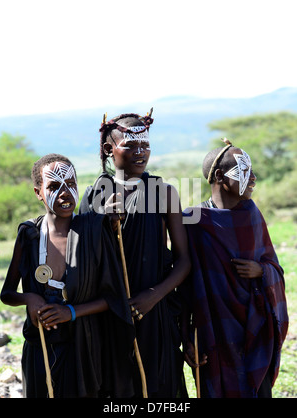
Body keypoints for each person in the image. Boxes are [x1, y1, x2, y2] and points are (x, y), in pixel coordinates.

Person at [0, 153, 135, 398]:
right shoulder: (29, 235)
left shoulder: (94, 231)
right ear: (38, 192)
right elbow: (6, 293)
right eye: (53, 186)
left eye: (71, 184)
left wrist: (69, 312)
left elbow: (114, 298)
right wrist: (30, 298)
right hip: (39, 346)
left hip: (84, 347)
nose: (64, 193)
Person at [78, 110, 191, 398]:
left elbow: (184, 261)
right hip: (107, 314)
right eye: (130, 145)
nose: (140, 153)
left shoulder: (164, 192)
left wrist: (154, 295)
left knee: (157, 388)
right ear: (109, 149)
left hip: (155, 312)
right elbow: (81, 259)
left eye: (145, 145)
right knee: (115, 389)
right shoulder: (94, 196)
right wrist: (102, 221)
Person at [181, 139, 289, 398]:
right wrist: (186, 335)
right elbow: (184, 283)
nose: (253, 178)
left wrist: (261, 271)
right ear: (219, 176)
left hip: (255, 325)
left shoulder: (252, 215)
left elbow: (275, 267)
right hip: (213, 329)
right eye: (244, 171)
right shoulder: (193, 221)